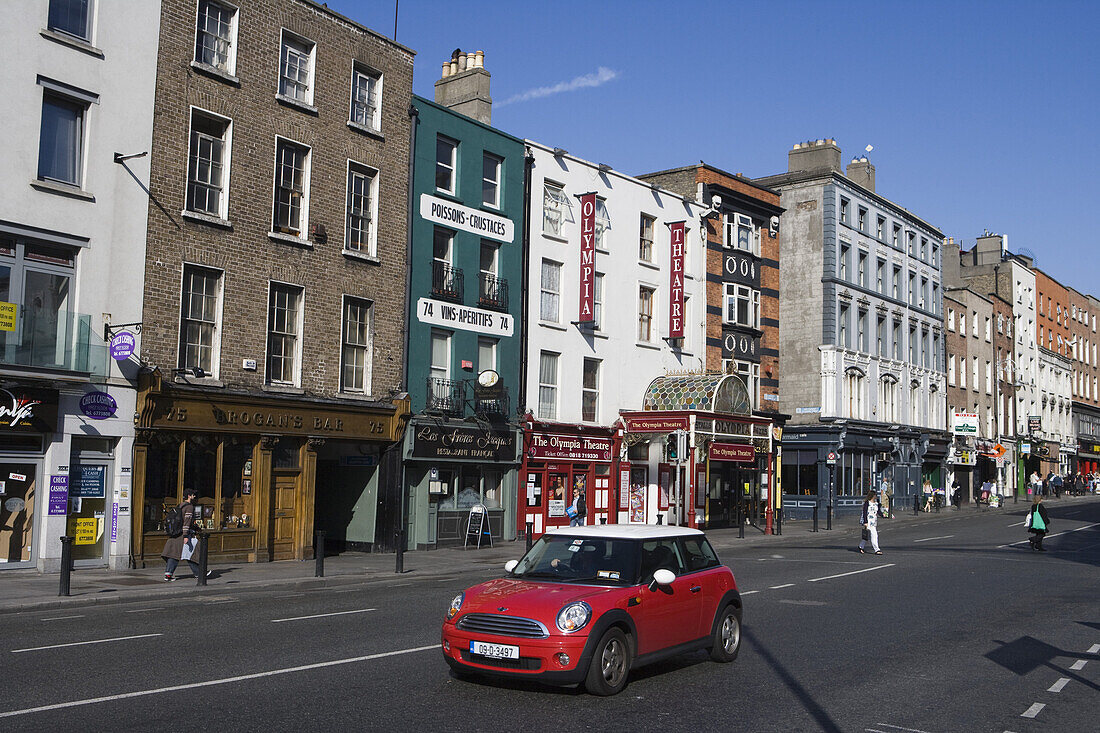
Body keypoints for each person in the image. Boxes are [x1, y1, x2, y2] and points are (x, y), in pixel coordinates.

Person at [161, 489, 209, 581]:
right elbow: (186, 522)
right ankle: (199, 573)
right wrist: (186, 536)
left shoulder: (181, 505)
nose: (194, 496)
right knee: (192, 551)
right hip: (183, 534)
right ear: (189, 496)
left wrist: (196, 528)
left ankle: (168, 574)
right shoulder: (189, 507)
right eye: (193, 495)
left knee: (175, 554)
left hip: (177, 534)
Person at [858, 489, 883, 555]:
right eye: (875, 495)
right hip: (868, 521)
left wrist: (884, 515)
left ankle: (861, 546)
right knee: (874, 535)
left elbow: (878, 512)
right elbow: (864, 512)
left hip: (874, 521)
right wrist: (865, 522)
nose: (876, 497)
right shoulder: (867, 503)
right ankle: (877, 549)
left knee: (867, 536)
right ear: (873, 496)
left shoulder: (876, 504)